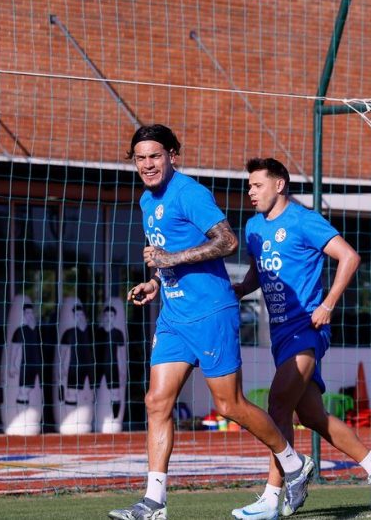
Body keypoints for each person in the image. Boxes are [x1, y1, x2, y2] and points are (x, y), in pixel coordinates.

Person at [110, 125, 313, 520]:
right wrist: (155, 281)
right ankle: (154, 503)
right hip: (173, 315)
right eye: (140, 158)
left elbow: (227, 242)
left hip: (210, 313)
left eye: (155, 156)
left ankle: (293, 463)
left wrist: (170, 261)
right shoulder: (146, 202)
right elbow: (167, 254)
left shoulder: (191, 194)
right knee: (156, 402)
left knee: (228, 403)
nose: (148, 164)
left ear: (173, 155)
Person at [230, 157, 371, 520]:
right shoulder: (254, 227)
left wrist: (328, 303)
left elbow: (349, 257)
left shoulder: (304, 220)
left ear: (279, 185)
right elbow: (258, 272)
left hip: (307, 328)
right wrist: (239, 289)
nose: (251, 192)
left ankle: (274, 496)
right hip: (280, 333)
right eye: (250, 185)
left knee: (276, 406)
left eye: (257, 185)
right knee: (313, 415)